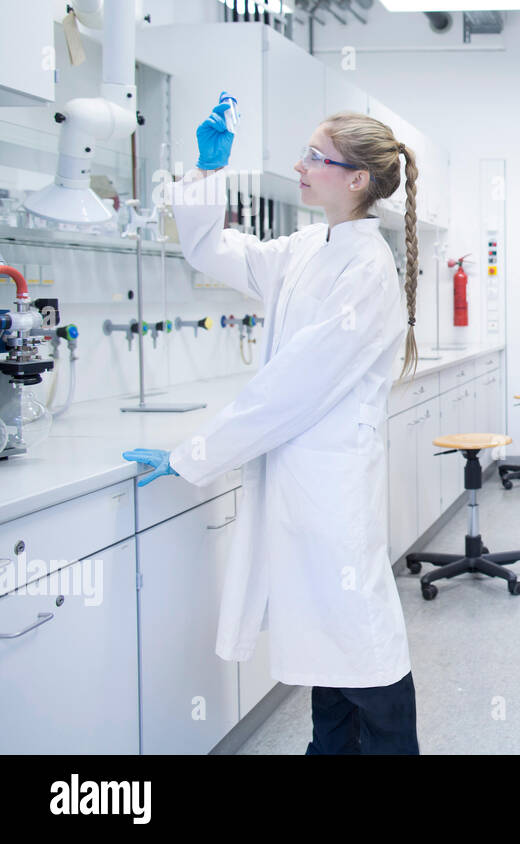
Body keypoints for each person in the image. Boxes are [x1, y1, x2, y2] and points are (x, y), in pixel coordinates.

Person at [123, 100, 423, 754]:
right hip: (300, 488)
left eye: (316, 156)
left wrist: (193, 453)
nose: (300, 165)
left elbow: (290, 390)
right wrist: (209, 172)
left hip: (331, 492)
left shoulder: (365, 271)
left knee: (363, 651)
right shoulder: (304, 250)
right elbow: (210, 250)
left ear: (356, 181)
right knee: (326, 655)